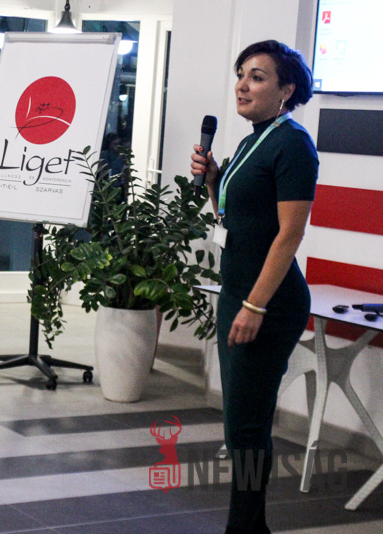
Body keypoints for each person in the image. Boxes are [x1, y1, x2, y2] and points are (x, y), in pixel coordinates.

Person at [190, 40, 318, 533]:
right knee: (239, 426)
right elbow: (233, 219)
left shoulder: (293, 144)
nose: (242, 85)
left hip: (267, 303)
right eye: (241, 74)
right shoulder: (252, 141)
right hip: (238, 295)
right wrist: (213, 179)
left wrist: (255, 306)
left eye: (257, 77)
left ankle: (244, 528)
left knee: (246, 429)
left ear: (286, 90)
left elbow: (290, 234)